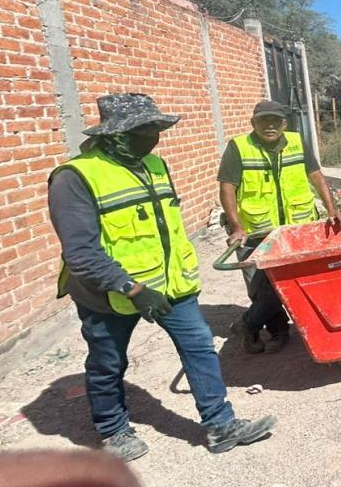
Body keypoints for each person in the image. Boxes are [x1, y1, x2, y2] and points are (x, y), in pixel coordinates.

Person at [47, 93, 276, 462]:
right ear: (114, 134)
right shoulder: (74, 178)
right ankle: (113, 429)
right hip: (107, 294)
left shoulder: (154, 163)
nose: (154, 136)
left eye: (156, 128)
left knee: (199, 346)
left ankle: (221, 425)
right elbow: (80, 253)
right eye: (145, 130)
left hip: (170, 285)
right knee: (109, 362)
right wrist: (133, 288)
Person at [217, 100, 341, 354]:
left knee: (291, 282)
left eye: (276, 121)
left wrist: (332, 209)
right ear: (253, 123)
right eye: (263, 121)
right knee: (261, 288)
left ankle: (248, 324)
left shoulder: (297, 142)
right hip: (256, 232)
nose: (270, 126)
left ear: (284, 123)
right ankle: (277, 330)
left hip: (296, 230)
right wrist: (236, 227)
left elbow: (316, 176)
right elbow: (227, 187)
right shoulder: (239, 147)